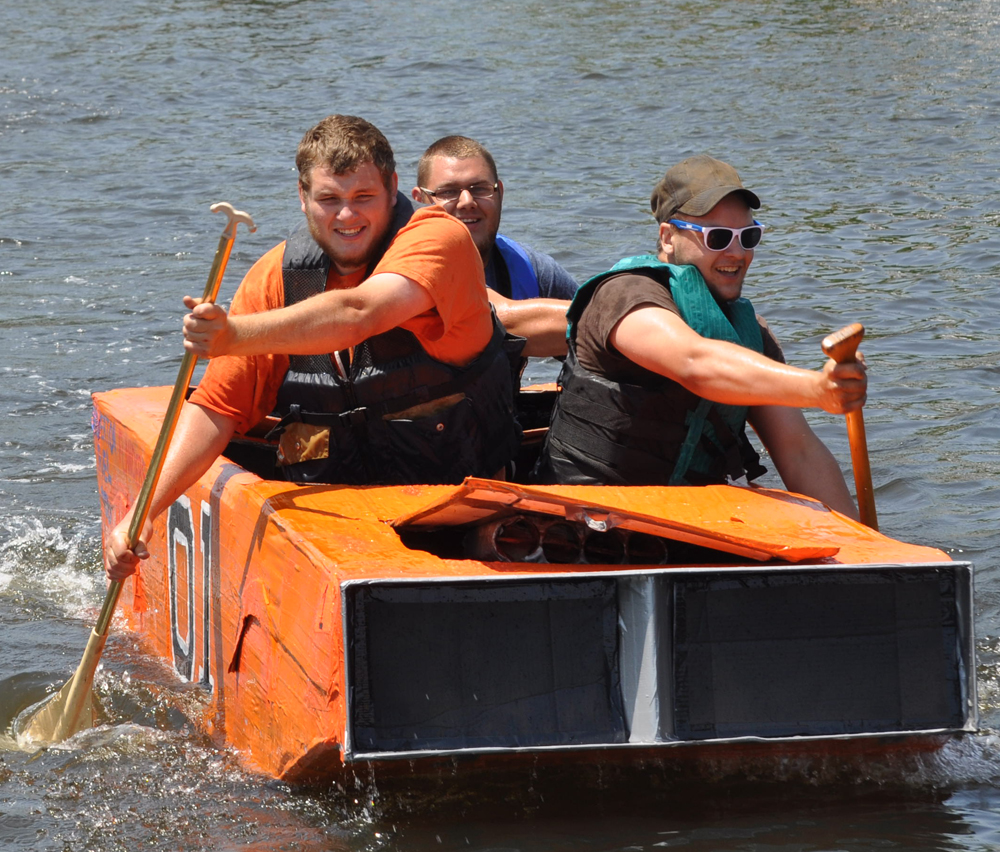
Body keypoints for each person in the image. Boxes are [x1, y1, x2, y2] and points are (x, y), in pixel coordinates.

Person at [105, 114, 520, 580]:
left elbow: (360, 312)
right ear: (303, 197)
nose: (347, 216)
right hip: (337, 527)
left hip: (458, 514)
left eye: (363, 197)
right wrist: (142, 514)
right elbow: (218, 409)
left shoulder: (440, 238)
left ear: (393, 188)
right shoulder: (275, 276)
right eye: (329, 199)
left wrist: (233, 336)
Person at [534, 154, 867, 519]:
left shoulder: (749, 334)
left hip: (688, 521)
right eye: (718, 237)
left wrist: (866, 545)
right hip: (584, 518)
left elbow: (798, 452)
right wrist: (818, 389)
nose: (737, 253)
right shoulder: (625, 294)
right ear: (668, 237)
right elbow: (694, 362)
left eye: (748, 236)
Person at [413, 136, 575, 358]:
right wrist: (603, 322)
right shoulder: (406, 269)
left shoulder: (529, 268)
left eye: (480, 189)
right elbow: (498, 319)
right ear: (420, 200)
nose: (467, 201)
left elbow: (593, 339)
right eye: (448, 192)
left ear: (500, 193)